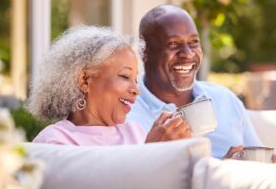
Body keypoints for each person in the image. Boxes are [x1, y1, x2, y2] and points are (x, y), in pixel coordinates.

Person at [127, 4, 276, 162]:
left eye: (193, 42)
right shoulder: (124, 112)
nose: (188, 54)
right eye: (173, 44)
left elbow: (259, 162)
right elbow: (123, 183)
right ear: (144, 52)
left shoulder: (225, 100)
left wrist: (262, 167)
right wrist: (153, 152)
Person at [27, 25, 191, 145]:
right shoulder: (55, 140)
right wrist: (151, 151)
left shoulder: (134, 132)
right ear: (85, 80)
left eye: (135, 79)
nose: (136, 90)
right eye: (125, 76)